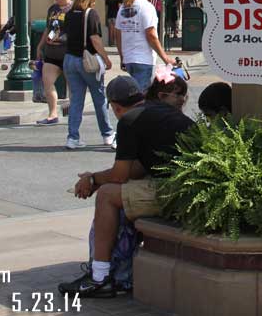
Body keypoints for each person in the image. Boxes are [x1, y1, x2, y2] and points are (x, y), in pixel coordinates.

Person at [60, 75, 195, 297]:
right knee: (116, 191)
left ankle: (100, 277)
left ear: (114, 106)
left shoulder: (130, 120)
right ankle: (120, 271)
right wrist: (95, 177)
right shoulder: (160, 112)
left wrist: (93, 181)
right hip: (187, 185)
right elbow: (139, 169)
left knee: (106, 195)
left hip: (174, 191)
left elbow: (121, 175)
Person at [63, 0, 115, 150]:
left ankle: (73, 137)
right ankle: (107, 134)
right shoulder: (90, 14)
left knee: (76, 100)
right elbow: (95, 39)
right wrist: (106, 59)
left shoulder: (70, 13)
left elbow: (64, 35)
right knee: (99, 97)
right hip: (86, 61)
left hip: (70, 59)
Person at [115, 0, 176, 90]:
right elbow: (151, 35)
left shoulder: (124, 6)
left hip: (129, 60)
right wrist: (166, 58)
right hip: (143, 60)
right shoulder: (146, 7)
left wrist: (123, 57)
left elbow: (118, 34)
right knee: (141, 100)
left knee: (135, 96)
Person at [35, 0, 72, 126]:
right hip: (51, 53)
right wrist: (40, 46)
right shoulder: (52, 9)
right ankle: (52, 114)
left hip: (68, 52)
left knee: (72, 84)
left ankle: (73, 111)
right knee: (47, 81)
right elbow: (47, 28)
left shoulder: (73, 9)